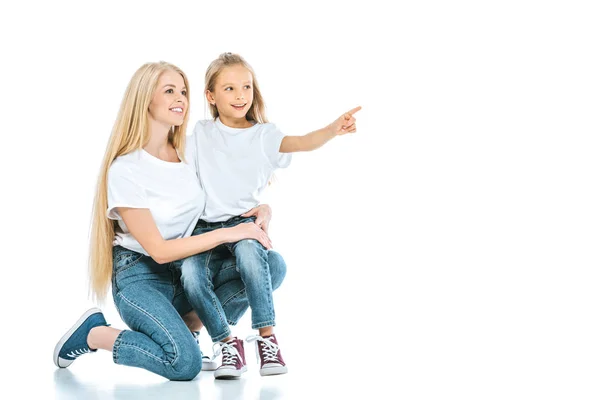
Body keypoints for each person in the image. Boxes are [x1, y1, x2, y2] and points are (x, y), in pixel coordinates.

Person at [52, 61, 285, 381]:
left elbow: (226, 195)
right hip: (140, 275)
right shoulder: (126, 169)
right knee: (183, 364)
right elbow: (159, 250)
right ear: (146, 99)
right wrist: (230, 233)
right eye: (170, 91)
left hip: (184, 270)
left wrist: (263, 208)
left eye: (184, 91)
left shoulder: (189, 151)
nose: (181, 99)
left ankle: (187, 327)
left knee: (270, 265)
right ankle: (95, 334)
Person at [181, 52, 361, 378]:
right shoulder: (201, 133)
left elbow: (301, 142)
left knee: (254, 260)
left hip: (244, 223)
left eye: (246, 87)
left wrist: (332, 129)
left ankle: (268, 339)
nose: (240, 96)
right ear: (210, 96)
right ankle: (218, 341)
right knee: (192, 276)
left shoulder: (263, 135)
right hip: (204, 227)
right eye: (230, 89)